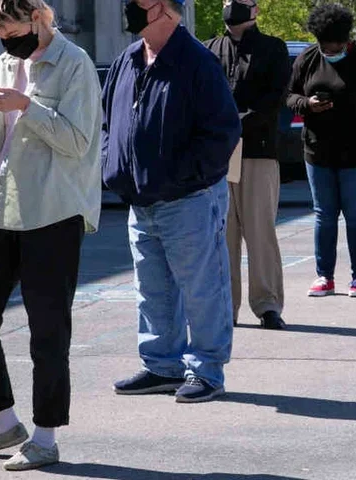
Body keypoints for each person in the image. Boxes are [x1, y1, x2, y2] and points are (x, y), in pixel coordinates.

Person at [0, 0, 102, 471]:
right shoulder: (5, 61)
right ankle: (3, 424)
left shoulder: (74, 63)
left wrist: (25, 107)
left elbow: (79, 141)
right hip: (1, 200)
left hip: (54, 209)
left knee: (48, 331)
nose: (4, 41)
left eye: (9, 29)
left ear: (37, 17)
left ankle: (45, 437)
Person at [102, 0, 241, 403]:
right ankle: (161, 365)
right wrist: (112, 167)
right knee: (152, 290)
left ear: (161, 7)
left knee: (203, 289)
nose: (128, 7)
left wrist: (180, 178)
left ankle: (207, 371)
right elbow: (110, 122)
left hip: (188, 200)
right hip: (140, 201)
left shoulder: (196, 62)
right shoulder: (127, 59)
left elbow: (221, 134)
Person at [287, 3, 356, 298]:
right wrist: (308, 105)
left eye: (335, 47)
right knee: (324, 215)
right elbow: (289, 95)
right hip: (318, 152)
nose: (329, 52)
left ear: (346, 40)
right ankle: (324, 276)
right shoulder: (307, 58)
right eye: (325, 47)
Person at [204, 0, 290, 330]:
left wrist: (233, 124)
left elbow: (273, 98)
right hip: (219, 155)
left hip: (258, 150)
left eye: (238, 1)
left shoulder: (273, 48)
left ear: (254, 9)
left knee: (260, 231)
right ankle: (226, 307)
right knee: (222, 235)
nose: (230, 6)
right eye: (226, 1)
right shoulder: (209, 49)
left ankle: (267, 304)